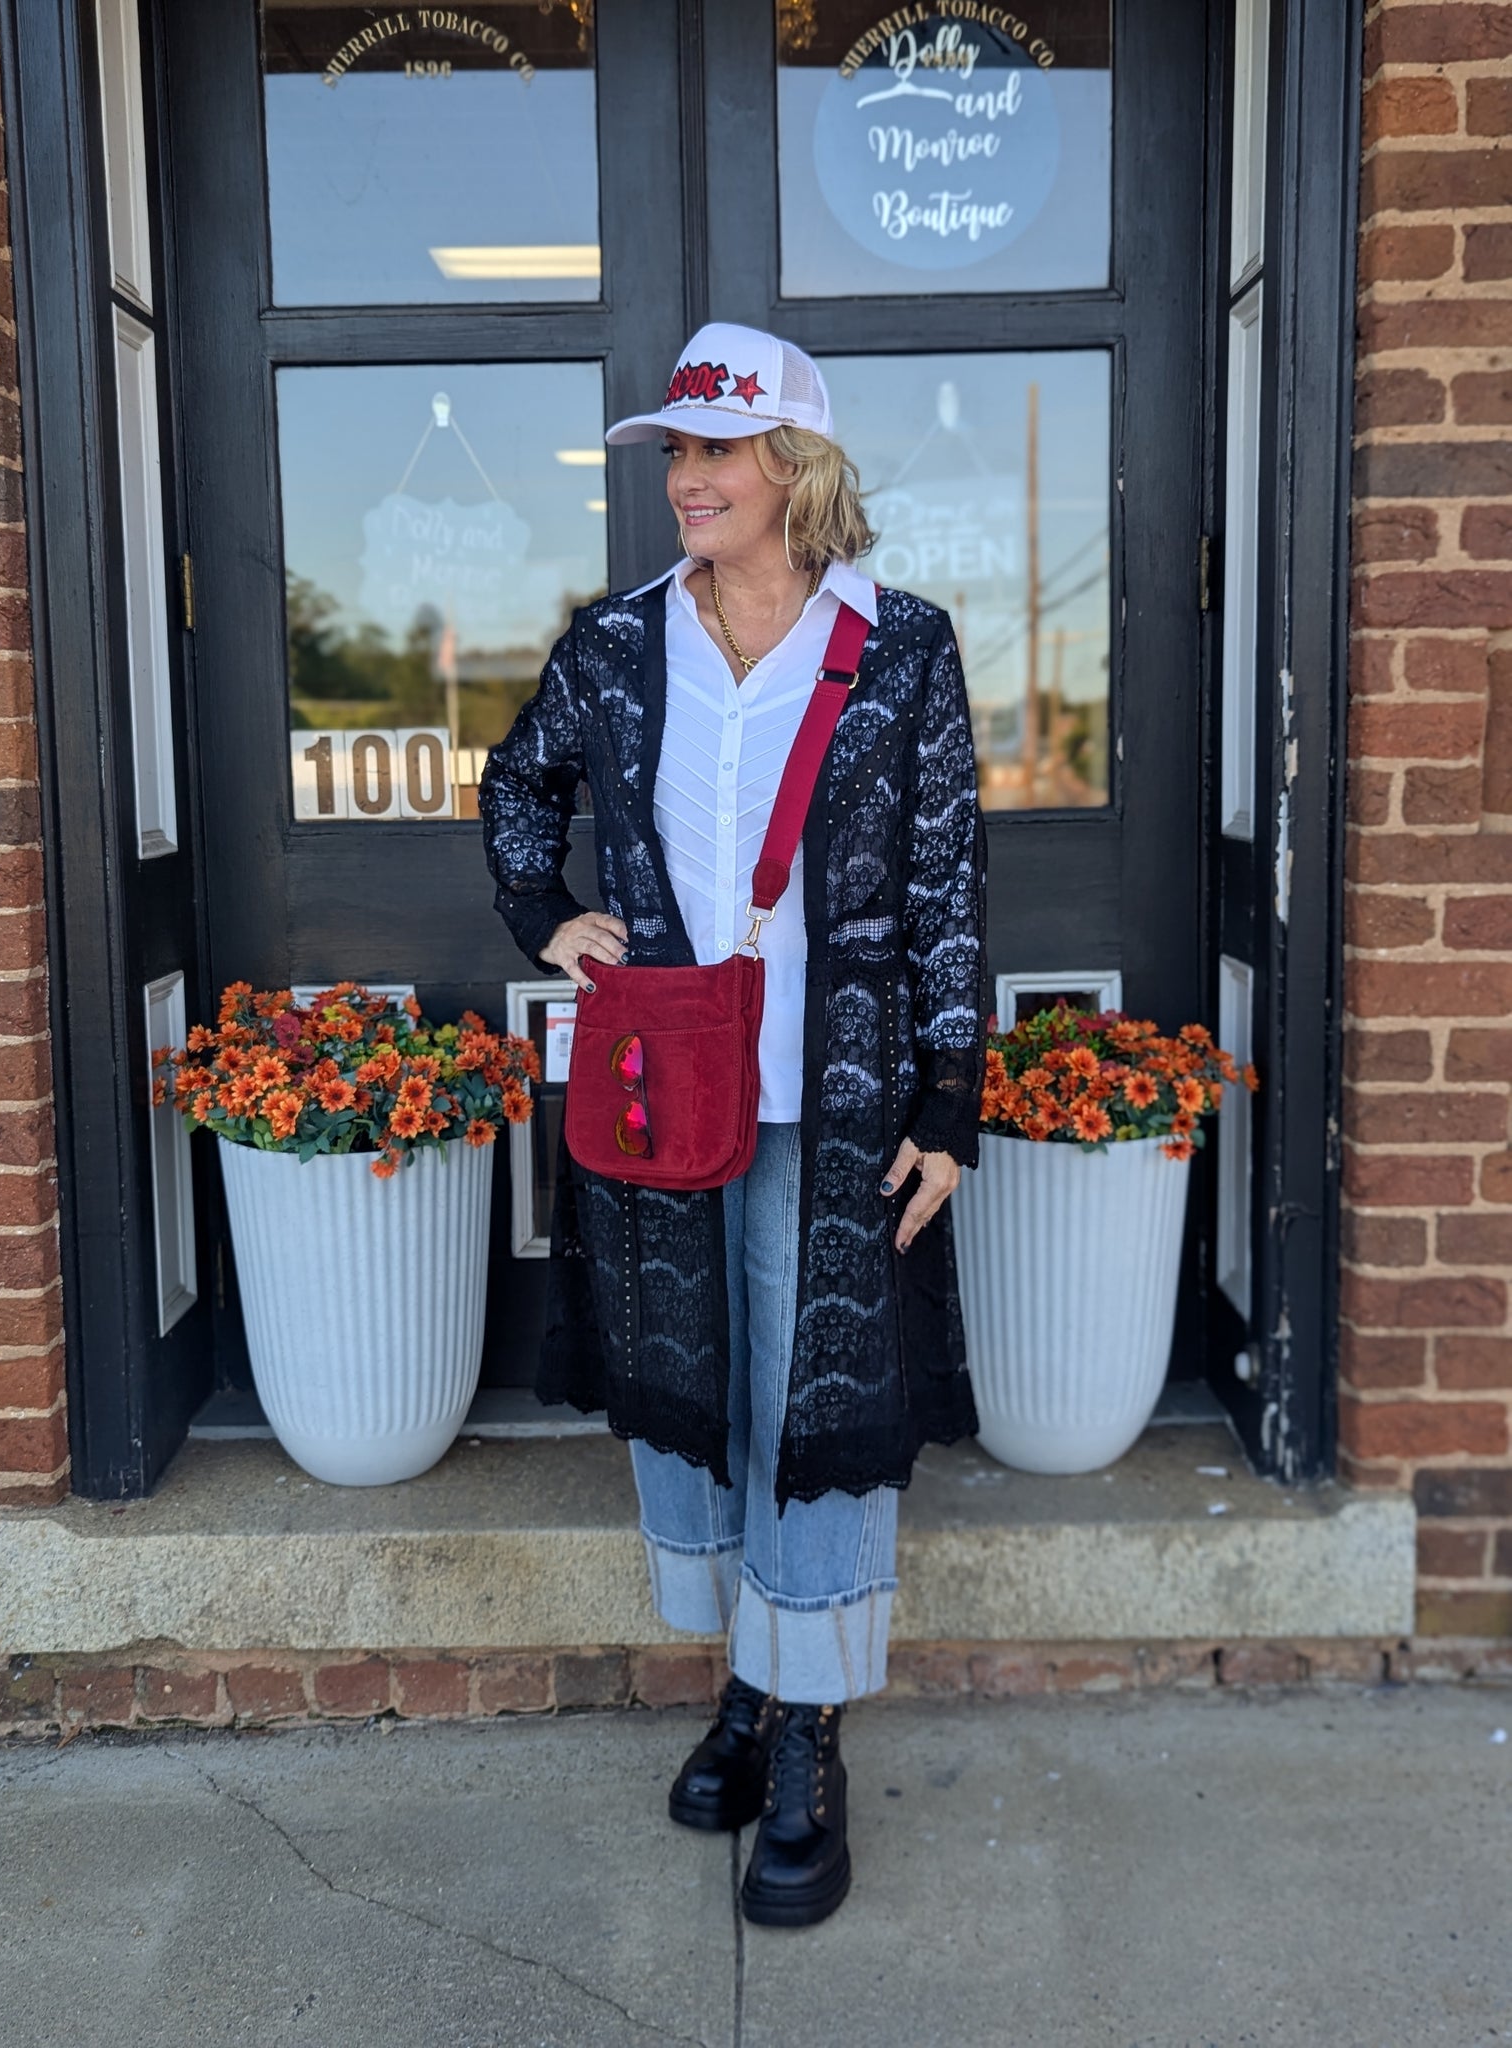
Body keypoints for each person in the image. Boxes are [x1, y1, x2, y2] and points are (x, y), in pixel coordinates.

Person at [480, 322, 987, 1928]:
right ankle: (752, 1689)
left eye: (716, 450)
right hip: (661, 1096)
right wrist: (545, 919)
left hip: (835, 1105)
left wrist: (950, 1099)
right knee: (699, 1390)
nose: (687, 478)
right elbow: (517, 786)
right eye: (676, 453)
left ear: (793, 466)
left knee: (811, 1404)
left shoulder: (898, 648)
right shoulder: (615, 644)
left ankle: (806, 1734)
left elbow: (944, 884)